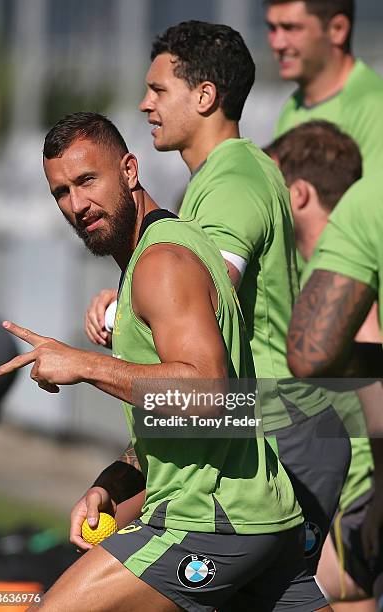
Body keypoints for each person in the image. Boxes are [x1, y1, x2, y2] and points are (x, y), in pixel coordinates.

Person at [0, 112, 328, 612]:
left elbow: (209, 394)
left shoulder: (162, 263)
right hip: (258, 515)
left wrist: (83, 365)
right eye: (61, 192)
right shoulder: (149, 258)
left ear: (130, 170)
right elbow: (176, 416)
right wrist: (111, 485)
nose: (77, 205)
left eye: (87, 180)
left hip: (208, 522)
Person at [84, 20, 351, 576]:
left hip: (277, 432)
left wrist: (121, 311)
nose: (144, 104)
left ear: (205, 95)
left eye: (159, 90)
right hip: (258, 426)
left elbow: (202, 297)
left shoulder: (233, 181)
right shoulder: (218, 177)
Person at [266, 120, 382, 610]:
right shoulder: (304, 271)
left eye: (270, 192)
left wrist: (377, 501)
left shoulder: (341, 279)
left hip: (354, 490)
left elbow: (374, 377)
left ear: (298, 195)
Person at [265, 0, 383, 176]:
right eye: (272, 28)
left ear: (338, 29)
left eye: (290, 28)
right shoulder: (292, 107)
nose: (277, 44)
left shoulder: (374, 106)